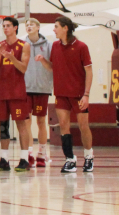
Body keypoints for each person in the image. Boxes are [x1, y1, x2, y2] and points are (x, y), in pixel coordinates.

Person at [0, 17, 31, 172]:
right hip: (1, 91)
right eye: (4, 26)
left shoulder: (24, 46)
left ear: (16, 28)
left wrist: (11, 58)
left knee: (21, 125)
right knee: (3, 126)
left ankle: (24, 159)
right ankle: (4, 159)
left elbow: (23, 68)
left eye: (8, 26)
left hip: (17, 91)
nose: (5, 28)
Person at [50, 16, 95, 173]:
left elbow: (89, 71)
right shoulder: (55, 46)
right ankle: (70, 159)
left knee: (83, 126)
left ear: (65, 28)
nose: (54, 30)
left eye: (56, 26)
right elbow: (53, 67)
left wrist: (86, 94)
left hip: (78, 94)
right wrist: (42, 61)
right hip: (61, 94)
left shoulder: (81, 46)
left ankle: (88, 157)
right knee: (63, 125)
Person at [24, 18, 53, 167]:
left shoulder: (48, 45)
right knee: (26, 121)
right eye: (27, 25)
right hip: (26, 88)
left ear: (38, 27)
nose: (29, 27)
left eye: (32, 25)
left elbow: (53, 67)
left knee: (41, 121)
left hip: (42, 88)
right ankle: (28, 153)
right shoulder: (22, 44)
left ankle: (42, 153)